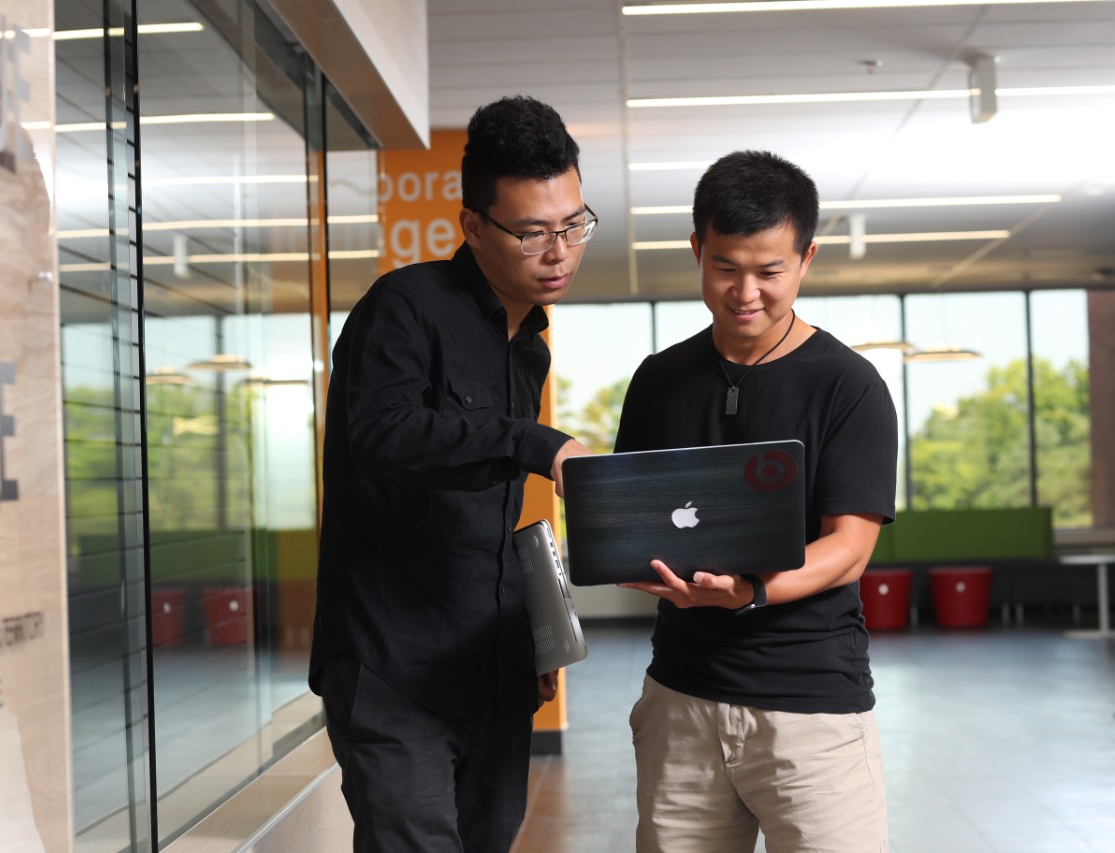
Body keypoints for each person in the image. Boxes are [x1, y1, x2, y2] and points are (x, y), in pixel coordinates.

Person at [308, 94, 593, 853]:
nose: (558, 251)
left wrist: (533, 636)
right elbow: (384, 437)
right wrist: (537, 443)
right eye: (532, 232)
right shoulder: (402, 308)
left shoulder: (529, 342)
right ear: (472, 225)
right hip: (391, 666)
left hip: (490, 668)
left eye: (572, 225)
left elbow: (490, 515)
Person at [613, 150, 898, 852]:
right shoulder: (659, 380)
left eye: (770, 271)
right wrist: (627, 556)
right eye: (726, 267)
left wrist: (749, 592)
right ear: (696, 251)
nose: (746, 291)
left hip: (811, 710)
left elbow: (849, 548)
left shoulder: (849, 386)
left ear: (805, 260)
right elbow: (631, 514)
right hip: (681, 700)